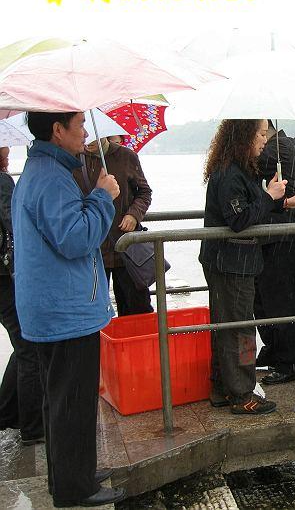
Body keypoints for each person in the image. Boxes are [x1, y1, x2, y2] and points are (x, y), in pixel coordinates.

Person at [12, 112, 124, 507]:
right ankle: (75, 487)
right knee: (72, 401)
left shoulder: (42, 171)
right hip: (65, 310)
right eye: (79, 124)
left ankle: (70, 474)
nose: (86, 131)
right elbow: (76, 239)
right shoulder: (51, 178)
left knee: (60, 398)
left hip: (53, 306)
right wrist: (102, 197)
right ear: (58, 131)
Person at [199, 119, 295, 416]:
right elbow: (239, 219)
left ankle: (222, 387)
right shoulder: (230, 173)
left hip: (231, 261)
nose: (264, 140)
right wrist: (270, 196)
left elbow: (250, 207)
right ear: (244, 136)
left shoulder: (234, 167)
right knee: (241, 329)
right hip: (231, 262)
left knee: (226, 327)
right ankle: (242, 393)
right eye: (260, 134)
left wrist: (283, 203)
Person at [73, 137, 153, 316]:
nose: (88, 139)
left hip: (126, 245)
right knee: (91, 311)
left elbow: (144, 192)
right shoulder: (74, 158)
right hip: (92, 247)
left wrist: (134, 214)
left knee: (137, 307)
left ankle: (140, 335)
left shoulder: (126, 156)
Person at [254, 121, 295, 384]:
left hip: (282, 236)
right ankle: (276, 351)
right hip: (271, 235)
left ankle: (290, 362)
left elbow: (283, 189)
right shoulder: (278, 146)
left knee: (282, 302)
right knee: (265, 301)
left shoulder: (281, 147)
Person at [0, 146, 44, 445]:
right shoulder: (3, 181)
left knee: (21, 345)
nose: (7, 151)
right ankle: (32, 427)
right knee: (28, 347)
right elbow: (13, 224)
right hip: (6, 278)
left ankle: (6, 412)